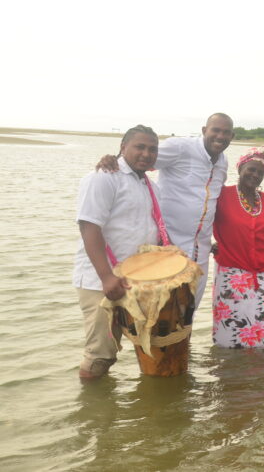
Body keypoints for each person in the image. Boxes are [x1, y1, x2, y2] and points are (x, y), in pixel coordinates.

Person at [96, 113, 235, 308]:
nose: (220, 136)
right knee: (161, 316)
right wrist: (113, 159)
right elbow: (139, 160)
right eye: (216, 130)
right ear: (204, 130)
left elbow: (215, 199)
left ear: (232, 136)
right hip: (168, 250)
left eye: (226, 132)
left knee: (188, 315)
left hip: (201, 253)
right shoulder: (180, 148)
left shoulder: (223, 162)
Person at [74, 125, 166, 379]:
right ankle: (94, 414)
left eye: (152, 149)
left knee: (145, 346)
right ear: (123, 147)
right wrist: (106, 277)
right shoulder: (103, 177)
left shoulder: (150, 186)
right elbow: (89, 226)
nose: (146, 154)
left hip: (134, 282)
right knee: (100, 355)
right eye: (140, 146)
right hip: (101, 281)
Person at [211, 146, 264, 348]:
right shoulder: (221, 196)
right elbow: (199, 220)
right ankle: (234, 377)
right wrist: (209, 245)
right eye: (251, 169)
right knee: (232, 338)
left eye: (260, 173)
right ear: (240, 168)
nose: (255, 175)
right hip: (232, 276)